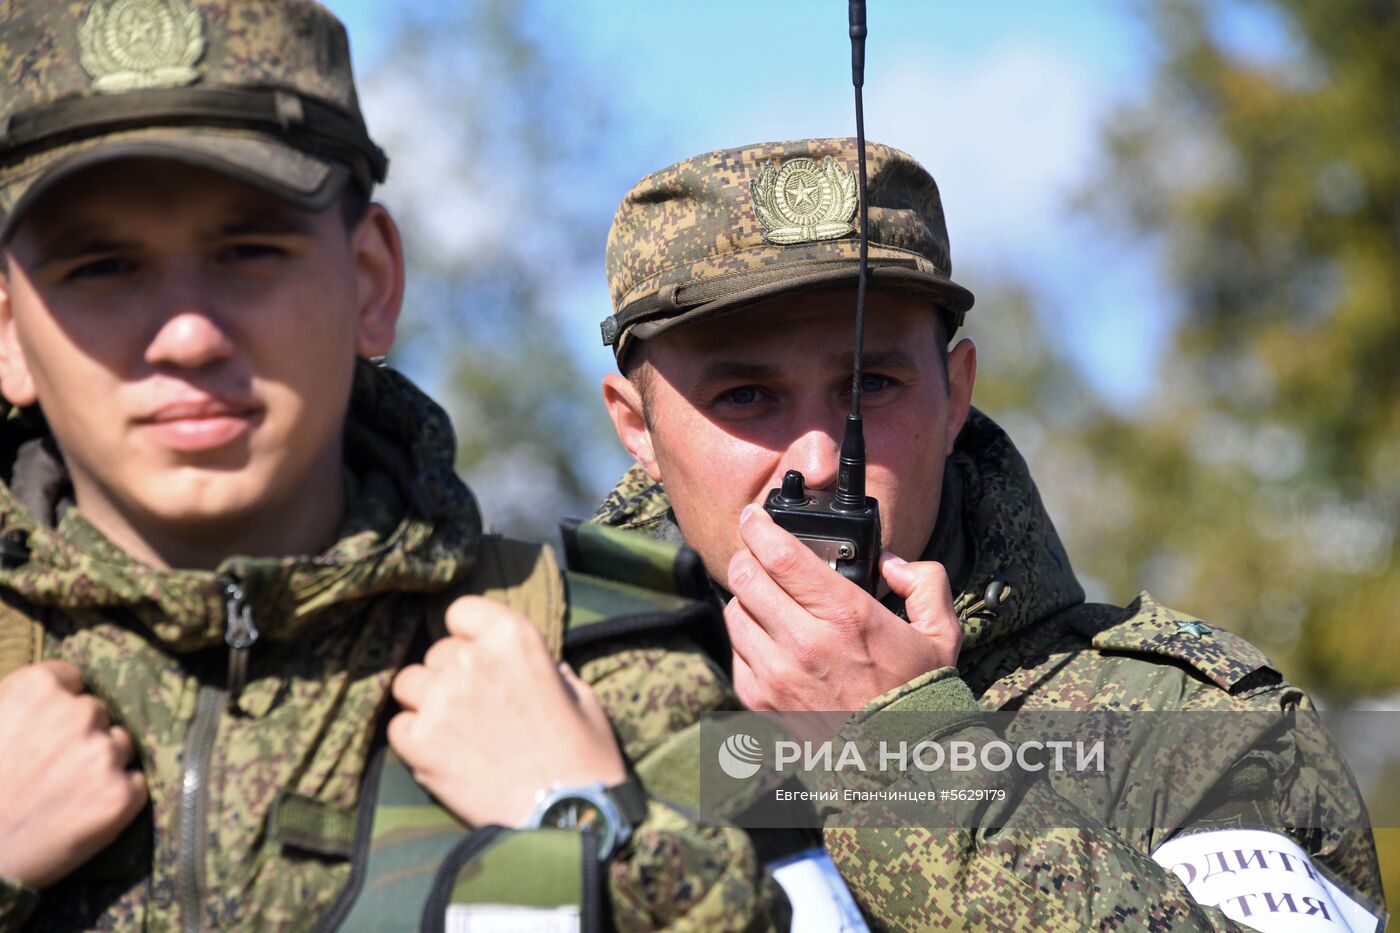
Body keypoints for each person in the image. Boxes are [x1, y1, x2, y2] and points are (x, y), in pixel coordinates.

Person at [0, 2, 780, 929]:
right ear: (8, 331)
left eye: (248, 252)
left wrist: (591, 824)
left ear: (371, 281)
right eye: (101, 268)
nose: (188, 334)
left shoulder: (611, 668)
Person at [592, 138, 1388, 930]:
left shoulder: (1182, 726)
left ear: (955, 393)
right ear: (637, 425)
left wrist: (906, 755)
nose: (820, 457)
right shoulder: (544, 710)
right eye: (744, 395)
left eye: (870, 385)